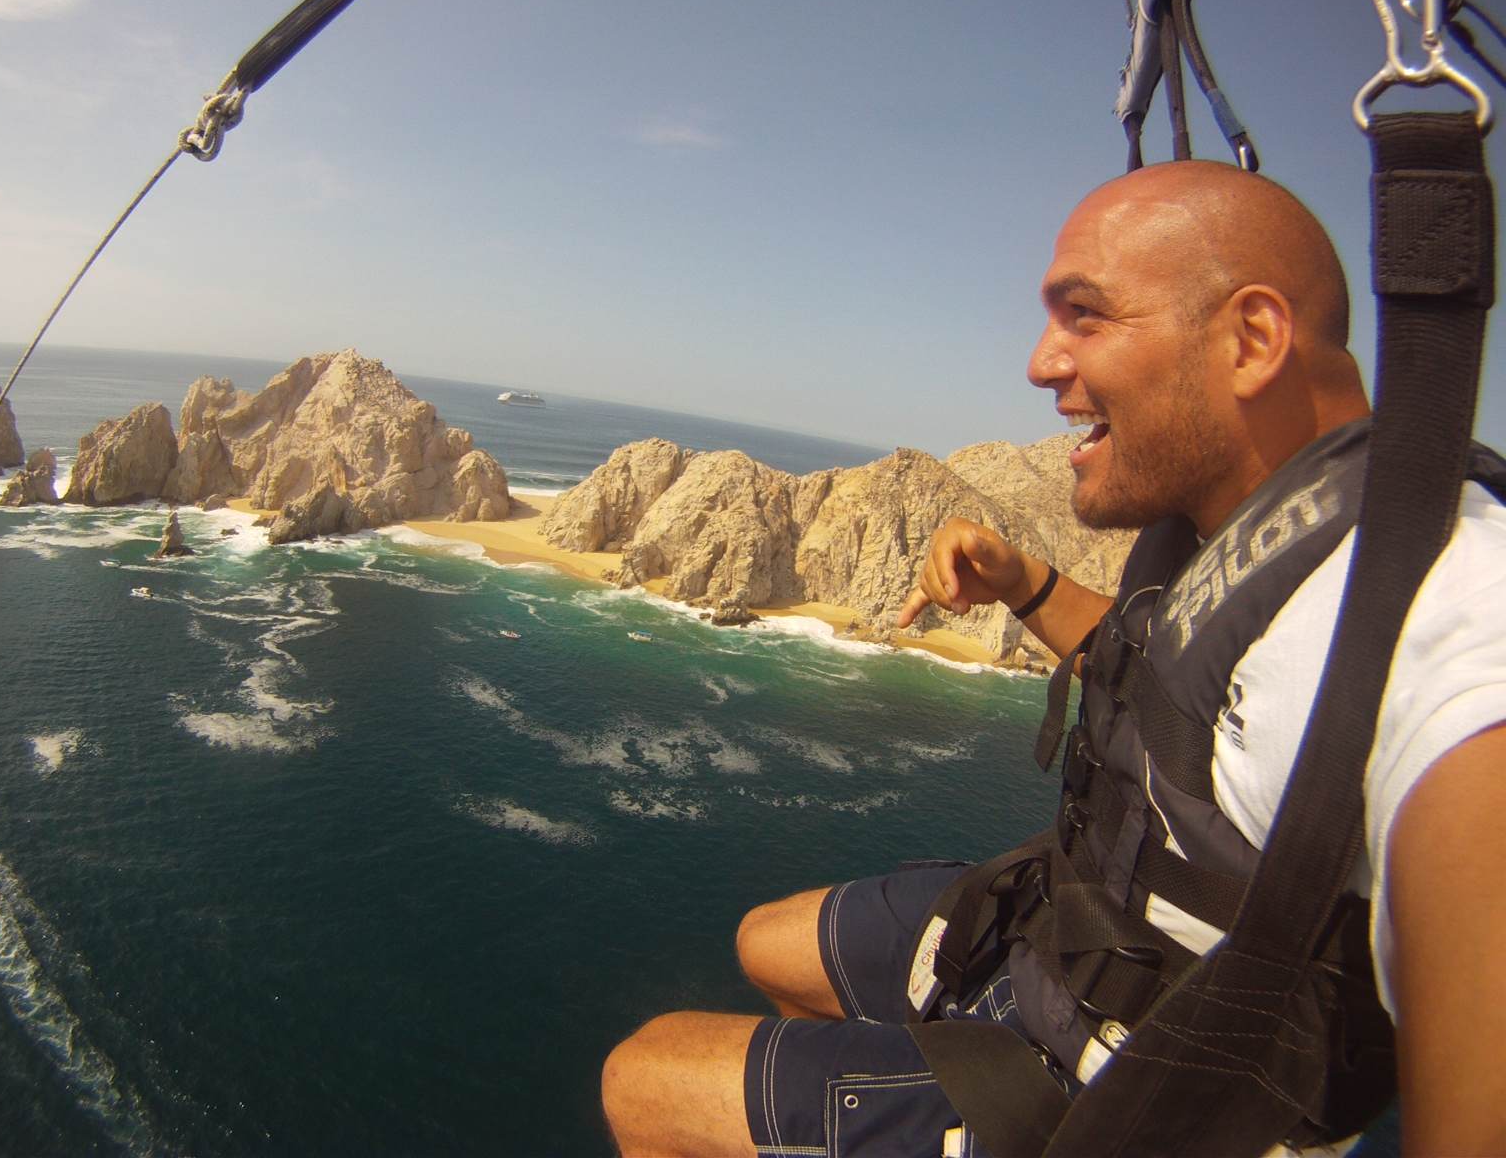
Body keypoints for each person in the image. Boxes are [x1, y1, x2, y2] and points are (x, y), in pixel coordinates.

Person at [600, 161, 1506, 1157]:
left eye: (1085, 315)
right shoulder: (1265, 521)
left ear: (1250, 340)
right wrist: (1025, 584)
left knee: (646, 1082)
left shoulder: (1455, 612)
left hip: (1143, 1087)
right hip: (1071, 938)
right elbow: (1176, 691)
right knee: (765, 941)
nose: (1040, 363)